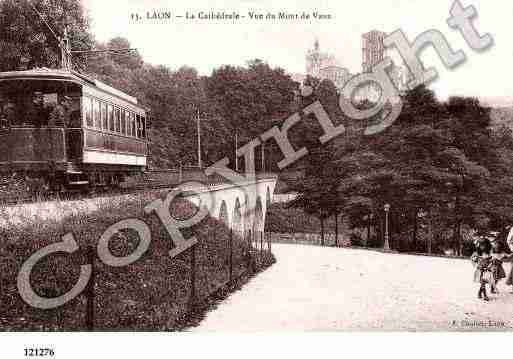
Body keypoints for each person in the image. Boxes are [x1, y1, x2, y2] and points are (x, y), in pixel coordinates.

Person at [471, 237, 492, 301]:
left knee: (484, 283)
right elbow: (473, 261)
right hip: (480, 270)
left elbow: (491, 262)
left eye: (484, 245)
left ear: (487, 246)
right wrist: (477, 265)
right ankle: (485, 295)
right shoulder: (476, 254)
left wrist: (489, 266)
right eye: (481, 245)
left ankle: (479, 293)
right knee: (483, 283)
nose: (483, 247)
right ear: (478, 246)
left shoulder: (488, 254)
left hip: (486, 270)